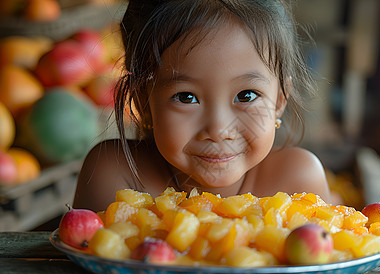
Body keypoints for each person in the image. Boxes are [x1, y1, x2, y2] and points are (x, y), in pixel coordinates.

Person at [73, 0, 334, 212]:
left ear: (279, 99)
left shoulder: (297, 182)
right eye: (186, 97)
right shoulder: (119, 178)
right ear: (143, 102)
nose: (219, 129)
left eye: (246, 96)